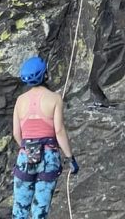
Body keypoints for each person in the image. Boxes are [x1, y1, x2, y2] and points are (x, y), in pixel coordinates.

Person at [11, 56, 78, 219]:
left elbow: (16, 133)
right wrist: (70, 158)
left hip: (26, 155)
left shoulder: (20, 101)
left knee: (20, 208)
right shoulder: (55, 99)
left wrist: (28, 149)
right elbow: (59, 130)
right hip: (49, 157)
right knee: (40, 210)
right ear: (45, 75)